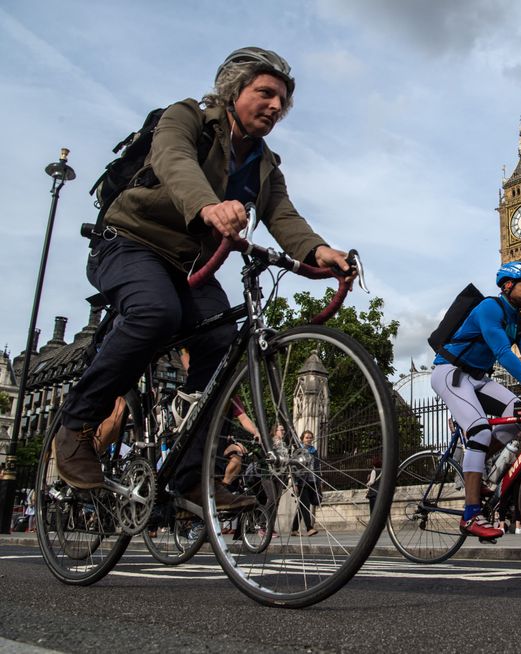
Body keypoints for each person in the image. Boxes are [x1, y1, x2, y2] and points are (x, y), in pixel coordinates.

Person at [52, 47, 353, 512]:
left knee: (223, 341)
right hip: (128, 242)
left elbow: (282, 214)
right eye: (265, 93)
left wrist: (319, 251)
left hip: (184, 265)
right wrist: (208, 205)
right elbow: (174, 161)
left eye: (282, 101)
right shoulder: (187, 116)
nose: (275, 106)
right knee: (156, 311)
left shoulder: (264, 163)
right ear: (235, 90)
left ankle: (191, 476)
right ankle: (76, 426)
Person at [430, 262, 521, 540]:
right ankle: (470, 515)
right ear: (507, 286)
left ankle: (477, 471)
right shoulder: (489, 308)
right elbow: (503, 353)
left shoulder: (520, 323)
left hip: (478, 378)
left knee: (520, 416)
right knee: (479, 430)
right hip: (451, 372)